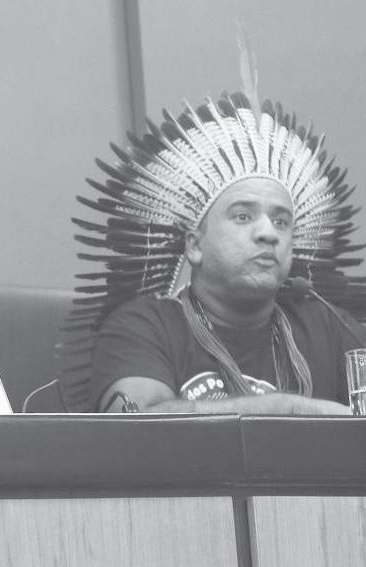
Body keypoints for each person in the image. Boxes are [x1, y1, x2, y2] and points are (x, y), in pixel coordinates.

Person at [66, 93, 366, 414]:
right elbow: (140, 426)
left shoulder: (331, 328)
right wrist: (290, 409)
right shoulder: (143, 325)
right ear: (195, 245)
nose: (268, 233)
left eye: (281, 221)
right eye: (243, 216)